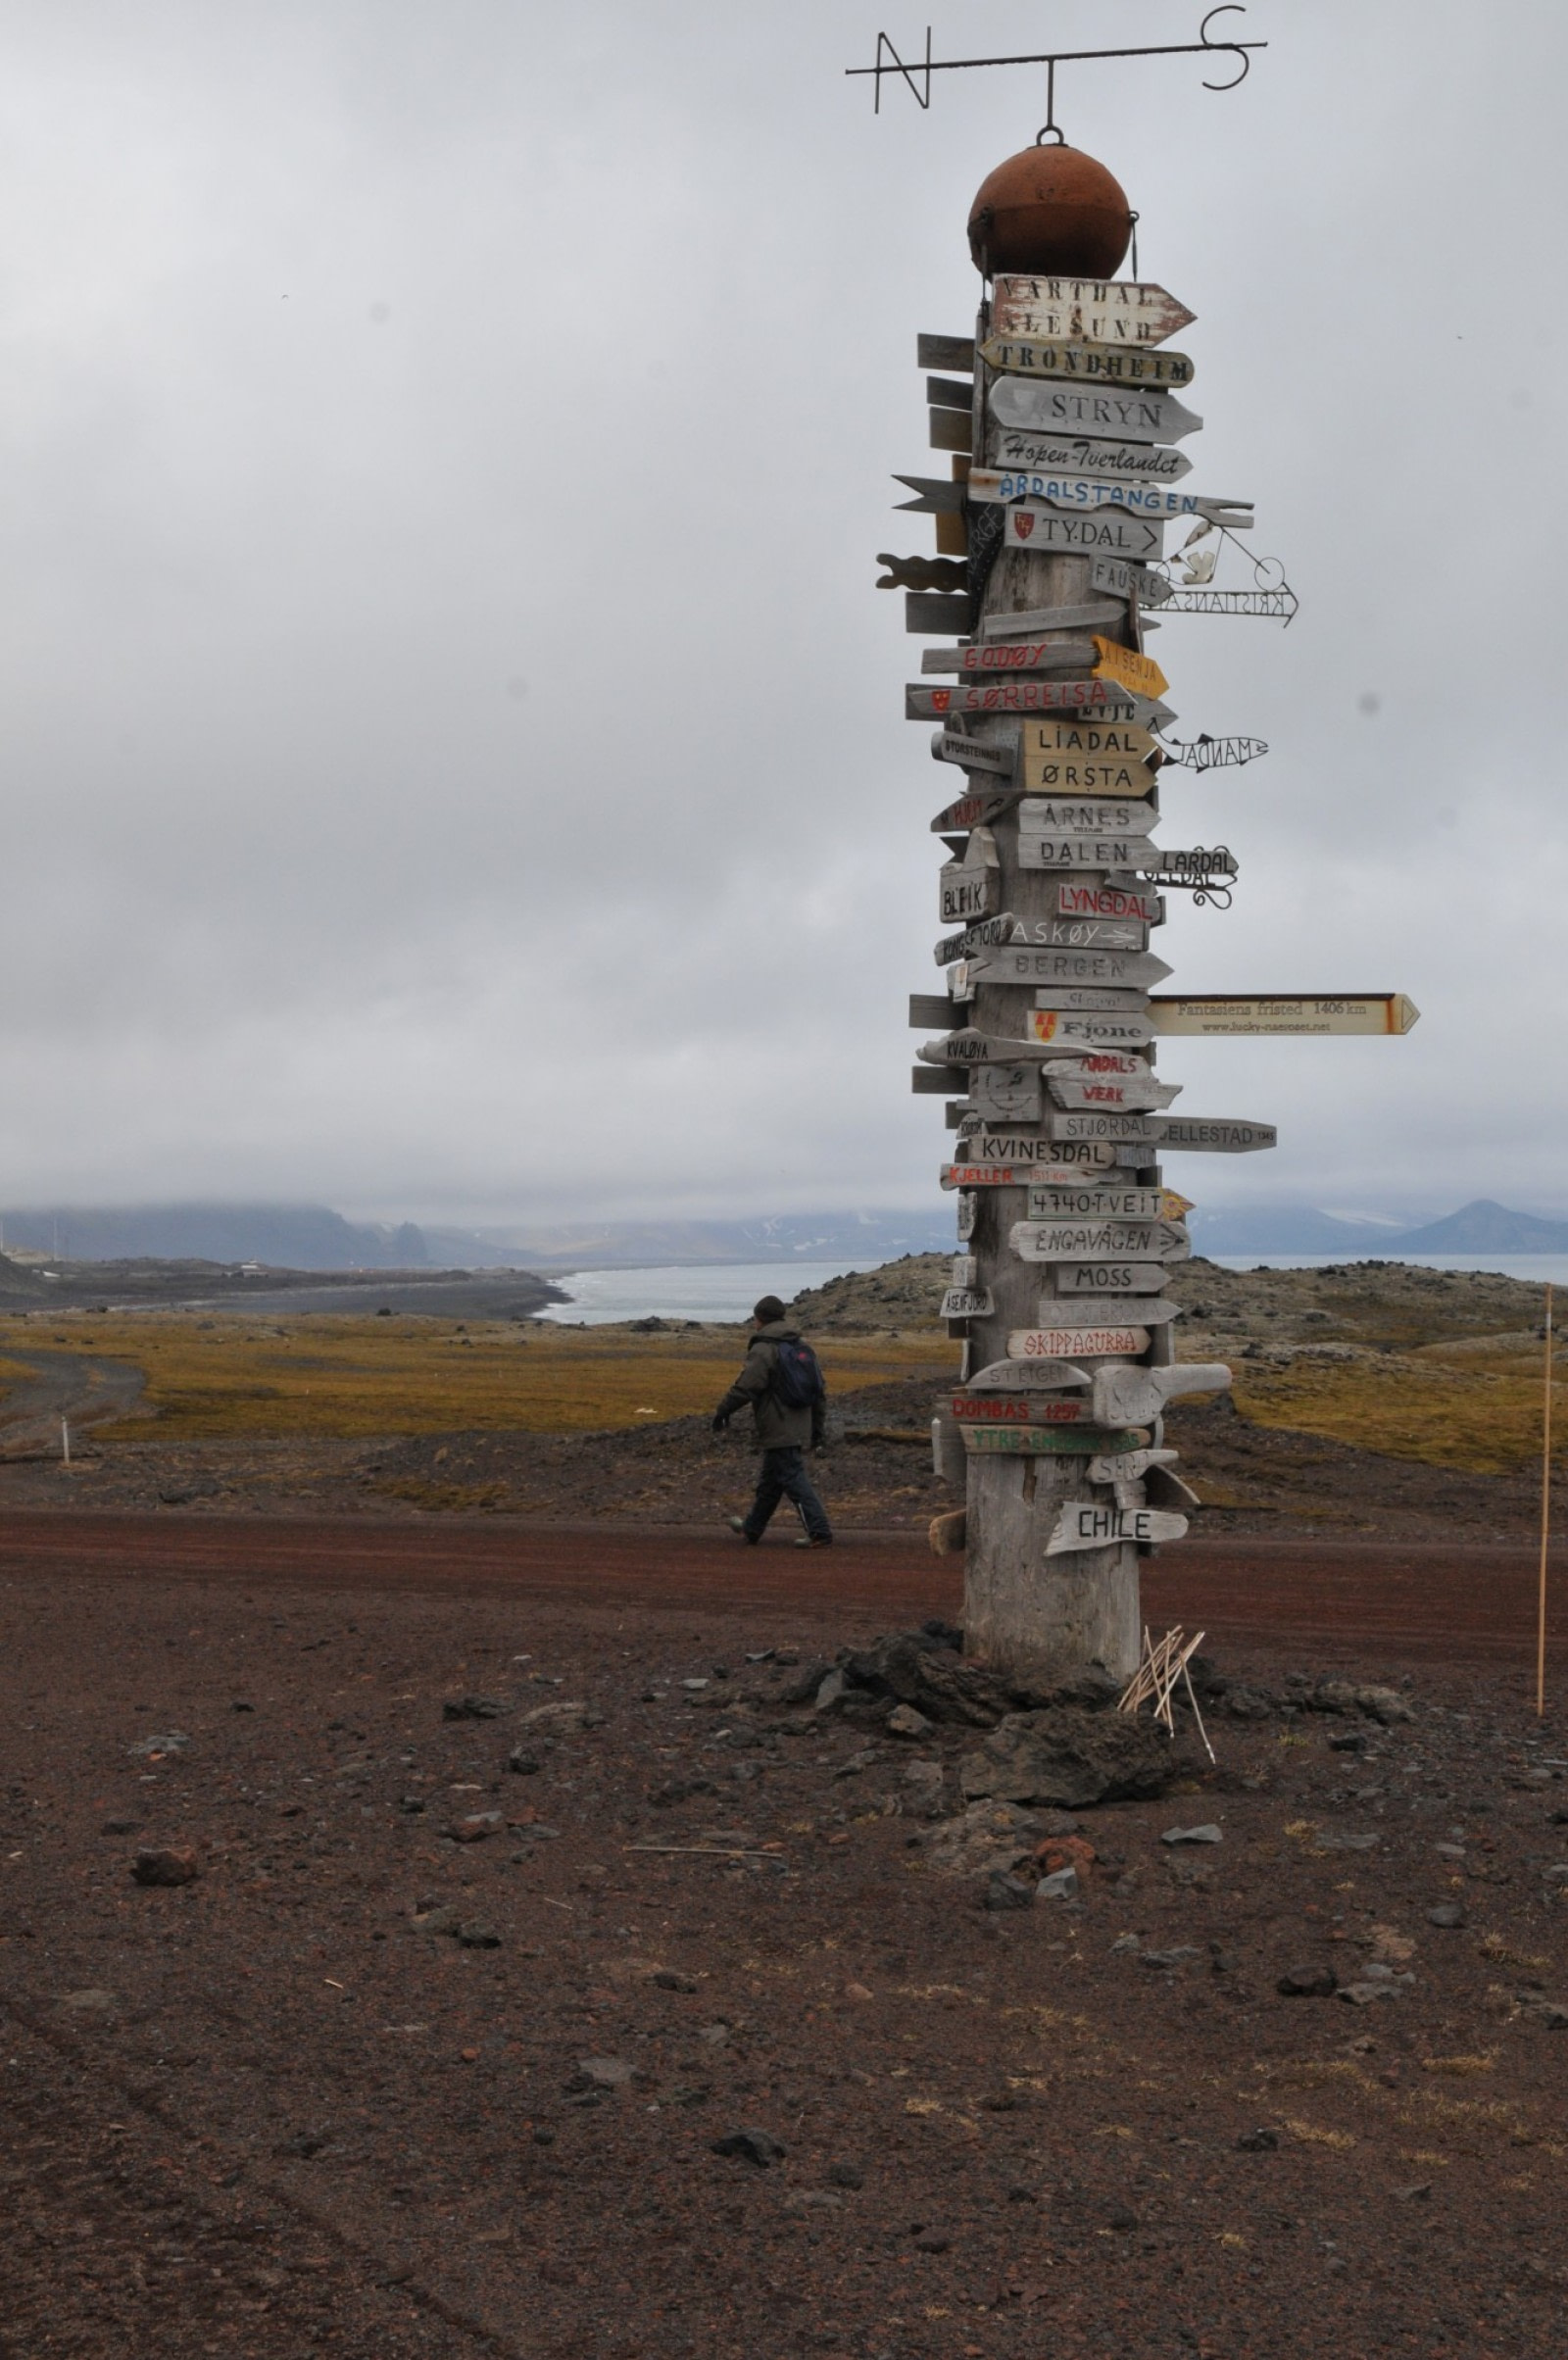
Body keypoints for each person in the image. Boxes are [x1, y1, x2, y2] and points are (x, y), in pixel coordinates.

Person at [711, 1294, 832, 1549]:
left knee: (791, 1477)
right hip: (799, 1423)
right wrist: (817, 1429)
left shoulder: (764, 1348)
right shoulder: (802, 1347)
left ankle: (819, 1531)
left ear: (759, 1319)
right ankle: (752, 1529)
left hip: (778, 1425)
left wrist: (723, 1411)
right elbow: (819, 1392)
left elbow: (746, 1387)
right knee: (771, 1481)